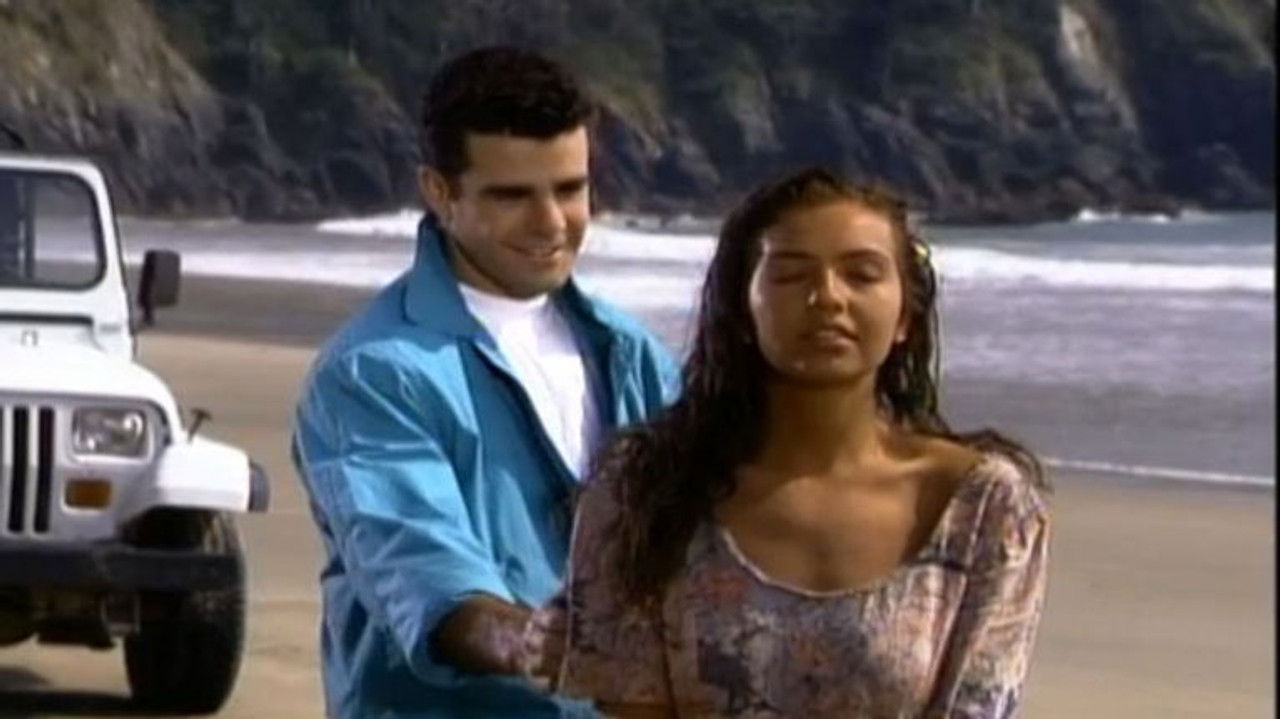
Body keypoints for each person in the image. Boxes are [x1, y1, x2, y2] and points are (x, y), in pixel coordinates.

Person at [557, 167, 1051, 718]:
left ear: (905, 318)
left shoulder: (983, 506)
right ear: (742, 309)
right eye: (791, 275)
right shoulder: (642, 491)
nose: (827, 297)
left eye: (862, 275)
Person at [292, 46, 678, 719]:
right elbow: (421, 571)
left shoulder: (634, 353)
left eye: (570, 189)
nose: (551, 221)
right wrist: (538, 645)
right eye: (512, 195)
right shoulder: (372, 373)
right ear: (440, 192)